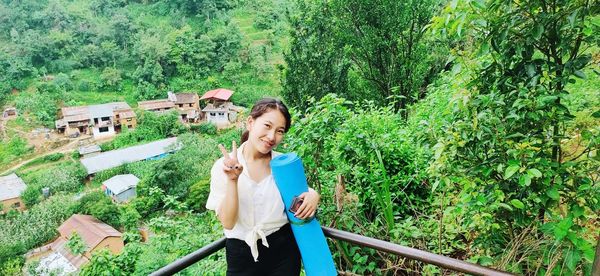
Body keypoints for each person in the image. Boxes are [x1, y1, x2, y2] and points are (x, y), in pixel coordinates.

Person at [206, 98, 321, 275]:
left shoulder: (283, 165)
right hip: (241, 254)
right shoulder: (224, 166)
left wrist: (313, 194)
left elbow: (300, 194)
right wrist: (232, 180)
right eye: (267, 125)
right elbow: (228, 223)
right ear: (251, 122)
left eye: (279, 131)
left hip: (283, 251)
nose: (271, 136)